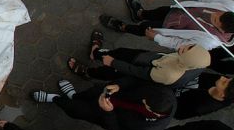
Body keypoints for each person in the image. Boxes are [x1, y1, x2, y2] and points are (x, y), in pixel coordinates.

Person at [34, 79, 176, 130]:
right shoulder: (164, 93)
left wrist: (108, 112)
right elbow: (137, 81)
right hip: (112, 94)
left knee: (76, 109)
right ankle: (74, 95)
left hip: (106, 114)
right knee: (89, 93)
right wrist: (119, 85)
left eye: (146, 104)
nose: (143, 100)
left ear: (156, 113)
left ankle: (56, 99)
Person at [102, 0, 234, 52]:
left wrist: (158, 38)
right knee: (157, 11)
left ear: (222, 29)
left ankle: (123, 27)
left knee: (144, 28)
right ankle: (139, 14)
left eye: (216, 20)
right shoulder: (230, 7)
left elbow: (179, 44)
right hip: (178, 11)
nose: (214, 14)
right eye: (219, 13)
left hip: (168, 28)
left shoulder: (208, 43)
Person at [68, 40, 211, 86]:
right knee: (120, 51)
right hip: (145, 58)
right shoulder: (195, 62)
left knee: (108, 72)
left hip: (138, 69)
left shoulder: (169, 75)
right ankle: (97, 53)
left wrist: (113, 63)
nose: (182, 47)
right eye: (189, 46)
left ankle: (87, 72)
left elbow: (136, 72)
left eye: (185, 51)